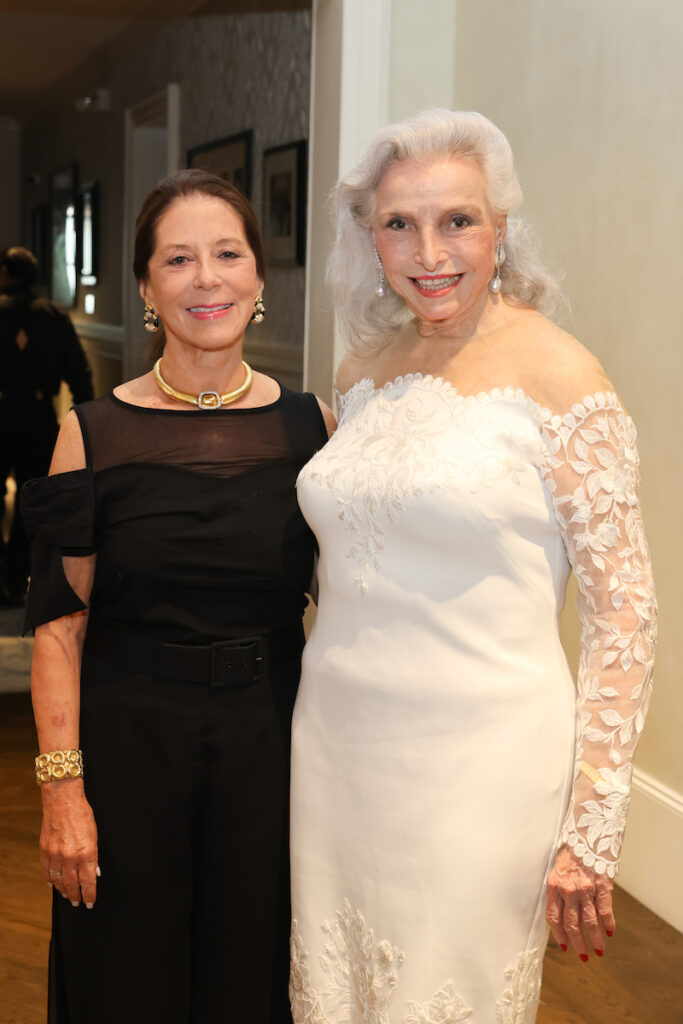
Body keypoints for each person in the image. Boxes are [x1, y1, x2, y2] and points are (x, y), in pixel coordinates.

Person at [290, 110, 656, 1023]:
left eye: (456, 220)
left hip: (478, 767)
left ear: (500, 229)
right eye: (397, 225)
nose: (429, 251)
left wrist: (592, 829)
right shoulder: (361, 372)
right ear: (368, 240)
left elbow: (625, 616)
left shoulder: (561, 378)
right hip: (334, 749)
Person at [21, 169, 334, 1024]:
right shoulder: (91, 432)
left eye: (228, 253)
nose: (208, 279)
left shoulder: (316, 429)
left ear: (259, 278)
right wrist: (61, 790)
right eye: (179, 259)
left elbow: (353, 606)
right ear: (147, 289)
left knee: (254, 974)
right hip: (128, 744)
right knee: (124, 977)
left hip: (272, 744)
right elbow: (57, 630)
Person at [0, 246, 93, 604]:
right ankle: (21, 577)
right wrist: (83, 426)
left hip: (1, 412)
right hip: (39, 418)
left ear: (7, 273)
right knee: (33, 502)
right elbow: (80, 374)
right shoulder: (54, 317)